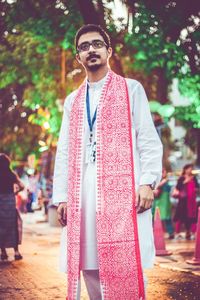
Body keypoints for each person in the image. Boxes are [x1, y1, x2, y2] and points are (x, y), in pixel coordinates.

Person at [53, 24, 163, 300]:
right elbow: (64, 150)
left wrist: (148, 182)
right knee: (88, 264)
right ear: (78, 57)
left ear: (108, 50)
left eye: (97, 44)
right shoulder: (73, 101)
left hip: (122, 195)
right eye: (84, 46)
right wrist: (62, 196)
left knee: (125, 263)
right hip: (83, 195)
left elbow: (147, 140)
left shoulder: (131, 90)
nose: (91, 49)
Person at [0, 153, 24, 260]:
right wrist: (14, 193)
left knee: (1, 227)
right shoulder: (12, 174)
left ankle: (3, 253)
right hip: (10, 203)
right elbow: (22, 186)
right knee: (13, 226)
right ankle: (16, 252)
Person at [173, 163, 199, 240]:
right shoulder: (181, 178)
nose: (190, 170)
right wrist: (185, 181)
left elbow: (197, 187)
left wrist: (194, 189)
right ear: (185, 169)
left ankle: (191, 233)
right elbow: (178, 187)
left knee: (192, 217)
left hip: (191, 201)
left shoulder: (194, 178)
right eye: (189, 168)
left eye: (191, 168)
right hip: (183, 201)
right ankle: (177, 233)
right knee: (180, 217)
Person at [152, 169, 174, 239]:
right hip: (157, 202)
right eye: (161, 172)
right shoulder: (155, 181)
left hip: (165, 202)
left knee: (167, 217)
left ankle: (171, 233)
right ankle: (154, 233)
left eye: (164, 172)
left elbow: (172, 191)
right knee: (155, 217)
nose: (163, 173)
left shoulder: (167, 181)